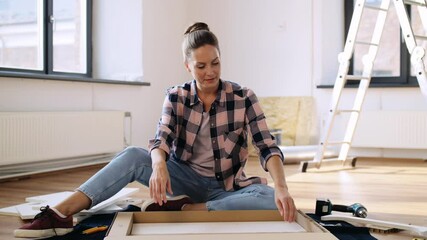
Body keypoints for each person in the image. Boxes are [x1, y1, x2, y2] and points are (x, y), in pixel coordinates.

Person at [14, 22, 297, 238]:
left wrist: (282, 188)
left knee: (272, 198)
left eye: (215, 63)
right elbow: (160, 138)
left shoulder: (244, 96)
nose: (210, 72)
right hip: (182, 179)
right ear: (187, 66)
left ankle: (185, 209)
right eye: (201, 66)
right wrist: (159, 164)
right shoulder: (176, 96)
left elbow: (266, 145)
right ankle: (60, 214)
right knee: (133, 155)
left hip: (227, 189)